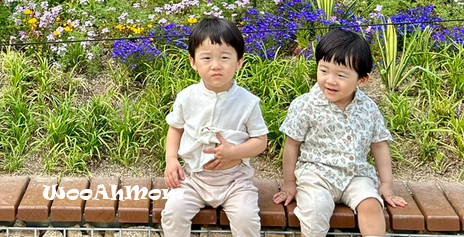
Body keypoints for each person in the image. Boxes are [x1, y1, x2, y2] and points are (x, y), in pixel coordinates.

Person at [273, 28, 407, 237]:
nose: (330, 80)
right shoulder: (305, 105)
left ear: (362, 80)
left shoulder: (368, 108)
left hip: (356, 175)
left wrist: (387, 184)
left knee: (371, 205)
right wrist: (290, 184)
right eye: (324, 70)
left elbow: (379, 145)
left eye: (341, 75)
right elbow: (292, 145)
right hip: (316, 174)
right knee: (315, 209)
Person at [161, 16, 268, 237]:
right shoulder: (186, 97)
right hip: (193, 177)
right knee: (173, 212)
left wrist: (234, 152)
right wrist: (171, 160)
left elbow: (260, 142)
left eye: (225, 57)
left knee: (247, 218)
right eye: (206, 58)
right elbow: (175, 128)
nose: (216, 65)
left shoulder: (248, 102)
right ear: (193, 62)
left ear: (239, 62)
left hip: (235, 180)